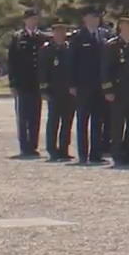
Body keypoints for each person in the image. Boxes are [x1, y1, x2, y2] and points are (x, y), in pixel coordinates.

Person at [102, 11, 129, 168]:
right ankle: (117, 155)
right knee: (117, 125)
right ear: (120, 26)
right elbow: (106, 70)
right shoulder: (112, 45)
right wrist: (108, 90)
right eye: (126, 24)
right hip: (119, 92)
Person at [69, 6, 109, 164]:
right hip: (83, 85)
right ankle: (83, 154)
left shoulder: (104, 35)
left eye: (97, 17)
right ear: (85, 19)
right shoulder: (78, 37)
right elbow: (71, 62)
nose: (95, 20)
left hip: (99, 85)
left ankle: (96, 154)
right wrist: (72, 84)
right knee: (83, 120)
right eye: (92, 17)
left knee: (98, 121)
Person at [8, 8, 47, 158]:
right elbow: (12, 62)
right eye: (30, 19)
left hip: (37, 82)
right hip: (22, 83)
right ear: (25, 21)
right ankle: (24, 146)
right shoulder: (17, 37)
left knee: (35, 115)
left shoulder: (42, 37)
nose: (32, 21)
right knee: (23, 116)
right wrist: (12, 83)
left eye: (35, 19)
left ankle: (33, 145)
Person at [38, 18, 76, 161]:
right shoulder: (46, 49)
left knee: (67, 122)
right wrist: (44, 90)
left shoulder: (70, 48)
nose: (60, 34)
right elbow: (42, 72)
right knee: (53, 121)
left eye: (63, 31)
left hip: (69, 91)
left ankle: (64, 149)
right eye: (57, 31)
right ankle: (52, 149)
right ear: (53, 33)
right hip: (53, 91)